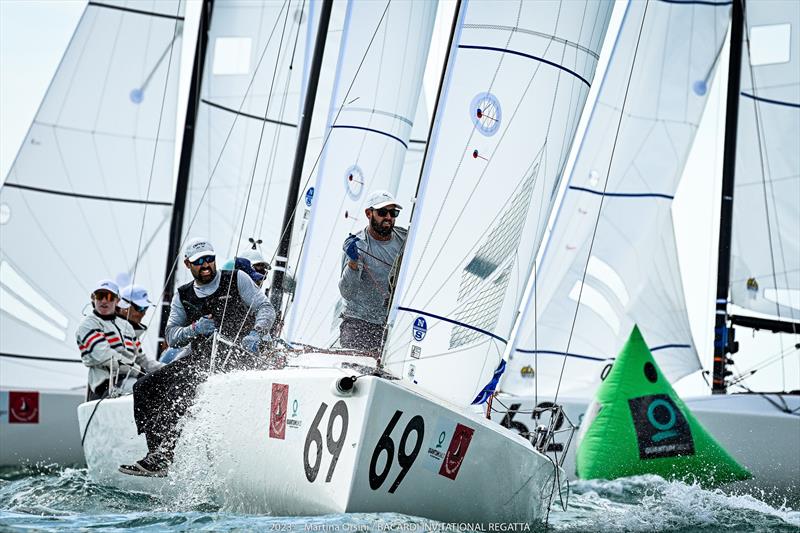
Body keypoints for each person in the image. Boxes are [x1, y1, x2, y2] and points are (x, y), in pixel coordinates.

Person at [119, 238, 275, 477]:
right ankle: (159, 455)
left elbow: (265, 308)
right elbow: (171, 336)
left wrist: (256, 332)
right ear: (187, 264)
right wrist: (193, 330)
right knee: (143, 387)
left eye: (209, 259)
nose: (205, 265)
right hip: (201, 357)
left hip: (237, 356)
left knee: (177, 388)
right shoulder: (183, 295)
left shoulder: (236, 279)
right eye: (199, 261)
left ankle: (165, 450)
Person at [338, 190, 407, 352]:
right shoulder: (358, 245)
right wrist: (353, 263)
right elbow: (347, 292)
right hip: (358, 322)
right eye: (383, 212)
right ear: (369, 213)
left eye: (393, 212)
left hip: (390, 324)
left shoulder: (405, 238)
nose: (389, 217)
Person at [76, 280, 161, 400]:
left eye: (110, 297)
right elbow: (105, 356)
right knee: (148, 392)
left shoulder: (125, 325)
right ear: (93, 298)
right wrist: (138, 371)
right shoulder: (88, 324)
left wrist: (168, 369)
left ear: (117, 301)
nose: (104, 301)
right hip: (105, 387)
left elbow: (141, 359)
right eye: (100, 296)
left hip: (131, 380)